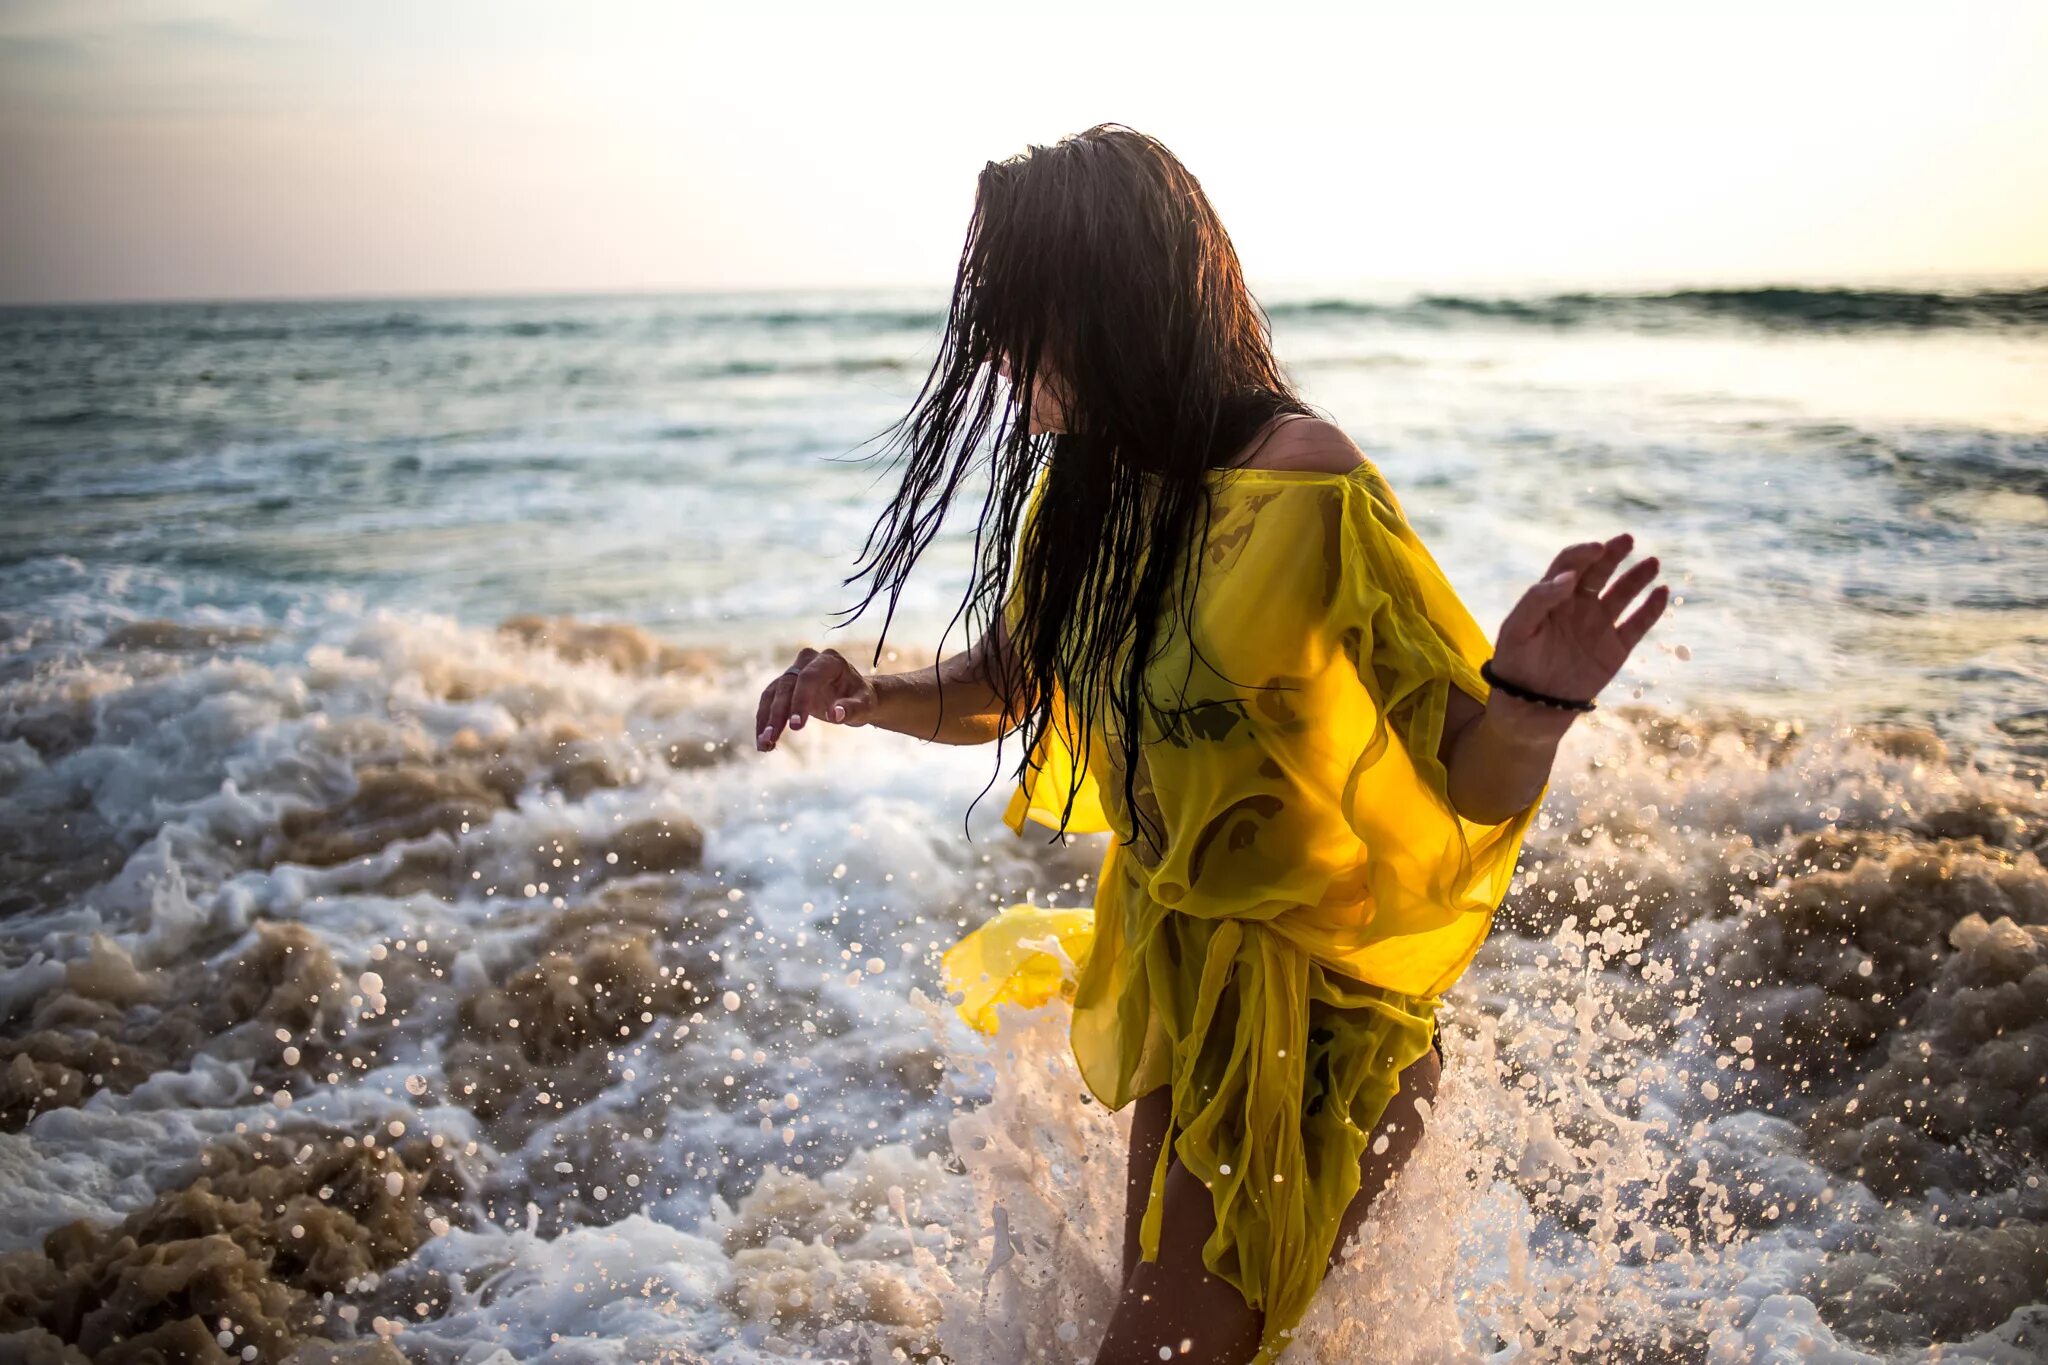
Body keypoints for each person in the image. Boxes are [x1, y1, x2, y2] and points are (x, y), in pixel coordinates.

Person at [754, 124, 1668, 1365]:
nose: (993, 349)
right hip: (1186, 987)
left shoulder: (1309, 488)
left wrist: (1530, 704)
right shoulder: (1089, 491)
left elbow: (1467, 776)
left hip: (1314, 1018)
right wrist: (863, 688)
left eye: (1015, 314)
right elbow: (1010, 680)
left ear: (1106, 298)